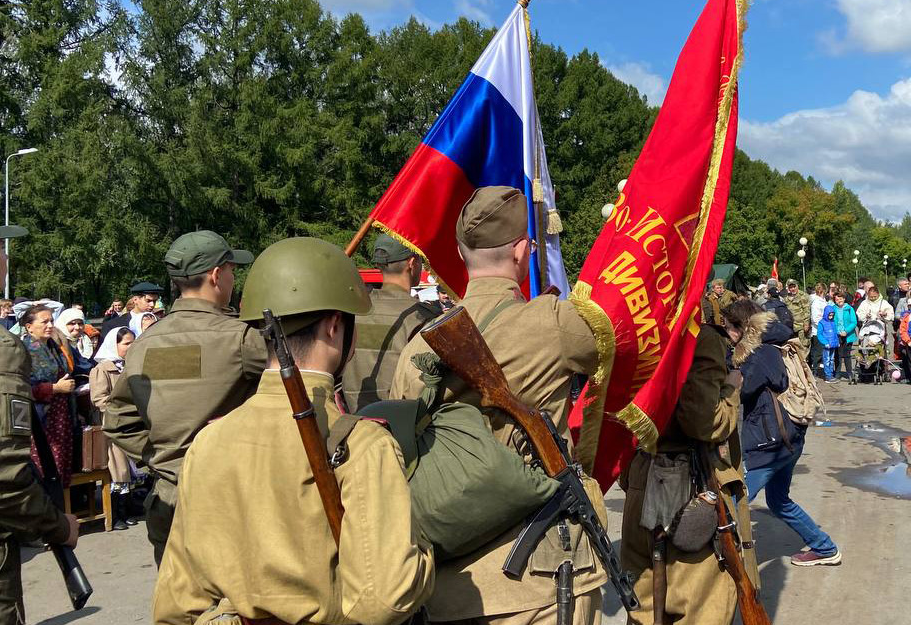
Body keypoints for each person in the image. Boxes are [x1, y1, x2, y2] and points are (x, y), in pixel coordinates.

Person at [153, 236, 434, 624]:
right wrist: (423, 555)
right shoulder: (364, 444)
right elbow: (383, 600)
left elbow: (175, 606)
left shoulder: (209, 442)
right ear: (336, 325)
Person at [391, 186, 606, 624]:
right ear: (523, 250)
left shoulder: (416, 348)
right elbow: (626, 338)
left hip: (447, 584)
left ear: (458, 251)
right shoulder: (554, 323)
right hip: (539, 579)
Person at [105, 230, 266, 564]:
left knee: (177, 608)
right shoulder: (241, 339)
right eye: (233, 271)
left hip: (168, 499)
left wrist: (165, 458)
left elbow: (118, 421)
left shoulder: (146, 342)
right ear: (216, 275)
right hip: (230, 501)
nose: (234, 279)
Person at [620, 325, 758, 625]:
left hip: (641, 474)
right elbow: (705, 423)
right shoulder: (696, 335)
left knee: (643, 608)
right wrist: (732, 389)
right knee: (700, 608)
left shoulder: (629, 325)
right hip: (690, 483)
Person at [0, 223, 80, 623]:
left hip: (56, 424)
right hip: (42, 421)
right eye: (2, 249)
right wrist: (56, 526)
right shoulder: (8, 350)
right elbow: (6, 474)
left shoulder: (53, 345)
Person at [724, 298, 840, 567]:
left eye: (729, 328)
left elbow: (742, 390)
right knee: (778, 501)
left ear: (742, 328)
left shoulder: (761, 353)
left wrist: (731, 370)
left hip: (771, 441)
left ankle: (712, 559)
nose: (727, 334)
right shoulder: (774, 343)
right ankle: (824, 547)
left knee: (734, 500)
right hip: (787, 437)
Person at [340, 233, 441, 412]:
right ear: (411, 263)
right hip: (403, 424)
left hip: (352, 421)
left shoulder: (355, 311)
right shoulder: (422, 317)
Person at [88, 326, 141, 529]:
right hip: (112, 425)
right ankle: (117, 514)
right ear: (114, 344)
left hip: (131, 424)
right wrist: (121, 408)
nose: (130, 346)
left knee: (129, 469)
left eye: (132, 342)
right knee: (117, 469)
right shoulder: (102, 369)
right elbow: (98, 399)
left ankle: (127, 509)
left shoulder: (131, 365)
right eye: (126, 343)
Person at [21, 305, 76, 484]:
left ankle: (60, 509)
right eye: (44, 321)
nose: (50, 325)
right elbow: (24, 389)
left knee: (60, 468)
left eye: (51, 321)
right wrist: (55, 388)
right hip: (41, 421)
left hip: (60, 417)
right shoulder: (25, 351)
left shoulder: (55, 347)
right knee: (44, 469)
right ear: (29, 327)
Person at [856, 285, 895, 356]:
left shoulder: (884, 302)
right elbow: (859, 314)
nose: (873, 298)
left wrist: (884, 314)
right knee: (866, 342)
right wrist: (866, 316)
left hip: (880, 328)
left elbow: (891, 314)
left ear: (878, 294)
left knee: (879, 344)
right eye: (871, 297)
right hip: (867, 328)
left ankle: (880, 360)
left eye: (875, 297)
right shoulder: (864, 303)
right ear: (868, 295)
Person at [783, 279, 812, 363]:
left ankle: (805, 365)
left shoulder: (803, 296)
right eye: (790, 287)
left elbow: (807, 311)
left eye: (794, 286)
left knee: (803, 346)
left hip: (801, 326)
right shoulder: (786, 298)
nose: (793, 289)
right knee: (793, 347)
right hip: (791, 326)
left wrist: (806, 324)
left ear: (797, 286)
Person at [830, 291, 857, 381]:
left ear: (844, 299)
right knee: (837, 355)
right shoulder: (833, 309)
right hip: (837, 335)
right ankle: (837, 372)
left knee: (847, 354)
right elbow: (831, 322)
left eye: (841, 298)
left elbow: (854, 322)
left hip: (848, 335)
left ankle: (849, 373)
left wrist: (846, 331)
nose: (839, 300)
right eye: (837, 299)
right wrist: (838, 332)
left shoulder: (850, 309)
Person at [808, 283, 829, 371]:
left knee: (818, 352)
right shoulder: (816, 302)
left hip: (822, 330)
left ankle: (815, 369)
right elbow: (815, 318)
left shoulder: (823, 300)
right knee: (817, 353)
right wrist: (824, 326)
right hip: (817, 331)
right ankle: (814, 371)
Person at [816, 303, 840, 381]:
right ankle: (828, 376)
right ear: (826, 314)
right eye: (830, 315)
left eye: (832, 315)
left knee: (832, 360)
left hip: (833, 344)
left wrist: (837, 342)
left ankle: (831, 374)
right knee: (826, 360)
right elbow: (819, 335)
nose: (831, 317)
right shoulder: (821, 323)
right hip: (827, 345)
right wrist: (825, 342)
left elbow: (835, 333)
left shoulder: (833, 322)